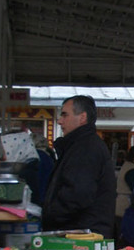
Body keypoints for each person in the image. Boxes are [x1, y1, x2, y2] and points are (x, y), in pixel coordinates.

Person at [41, 96, 116, 237]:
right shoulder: (77, 146)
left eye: (65, 115)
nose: (59, 121)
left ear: (82, 117)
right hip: (76, 232)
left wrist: (52, 216)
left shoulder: (86, 148)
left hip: (81, 237)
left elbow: (77, 194)